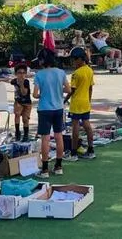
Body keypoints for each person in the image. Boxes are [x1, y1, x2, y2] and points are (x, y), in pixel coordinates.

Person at [33, 48, 71, 178]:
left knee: (45, 138)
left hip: (44, 109)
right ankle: (58, 166)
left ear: (42, 61)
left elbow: (35, 94)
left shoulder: (39, 74)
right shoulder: (61, 72)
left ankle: (44, 169)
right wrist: (57, 90)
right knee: (59, 136)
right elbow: (68, 89)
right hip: (58, 108)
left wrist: (43, 94)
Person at [64, 48, 95, 161]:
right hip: (86, 102)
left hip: (76, 103)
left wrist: (64, 100)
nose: (73, 63)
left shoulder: (76, 74)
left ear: (80, 59)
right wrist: (89, 100)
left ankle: (73, 153)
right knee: (87, 126)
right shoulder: (89, 70)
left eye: (74, 60)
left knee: (75, 128)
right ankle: (91, 150)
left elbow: (72, 91)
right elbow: (91, 88)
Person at [12, 64, 32, 142]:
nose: (22, 75)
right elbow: (9, 80)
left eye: (23, 73)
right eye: (19, 73)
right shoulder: (14, 81)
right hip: (18, 102)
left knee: (25, 119)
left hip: (27, 103)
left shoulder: (26, 82)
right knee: (17, 114)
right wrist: (0, 79)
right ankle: (17, 132)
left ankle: (26, 134)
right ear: (16, 74)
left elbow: (24, 93)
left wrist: (21, 85)